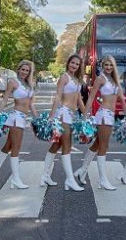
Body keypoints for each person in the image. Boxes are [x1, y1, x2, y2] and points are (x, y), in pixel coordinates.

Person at [74, 55, 126, 191]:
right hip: (103, 115)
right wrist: (85, 116)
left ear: (113, 66)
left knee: (98, 144)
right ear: (102, 66)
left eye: (110, 65)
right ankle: (103, 180)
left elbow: (121, 99)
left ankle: (82, 170)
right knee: (104, 146)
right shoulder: (100, 79)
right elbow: (91, 97)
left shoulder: (115, 80)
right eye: (106, 65)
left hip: (111, 115)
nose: (108, 67)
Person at [0, 60, 38, 189]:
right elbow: (4, 101)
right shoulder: (13, 82)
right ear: (18, 69)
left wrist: (38, 119)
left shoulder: (29, 84)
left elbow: (30, 105)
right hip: (15, 118)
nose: (24, 72)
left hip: (22, 118)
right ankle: (15, 179)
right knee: (16, 148)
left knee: (8, 146)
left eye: (27, 70)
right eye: (23, 69)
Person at [41, 54, 86, 192]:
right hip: (63, 114)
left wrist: (86, 115)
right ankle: (70, 180)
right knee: (67, 145)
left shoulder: (77, 80)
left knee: (57, 145)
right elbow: (58, 97)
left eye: (77, 64)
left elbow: (79, 100)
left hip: (72, 115)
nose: (74, 65)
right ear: (68, 63)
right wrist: (51, 116)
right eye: (72, 63)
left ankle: (44, 176)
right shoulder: (64, 77)